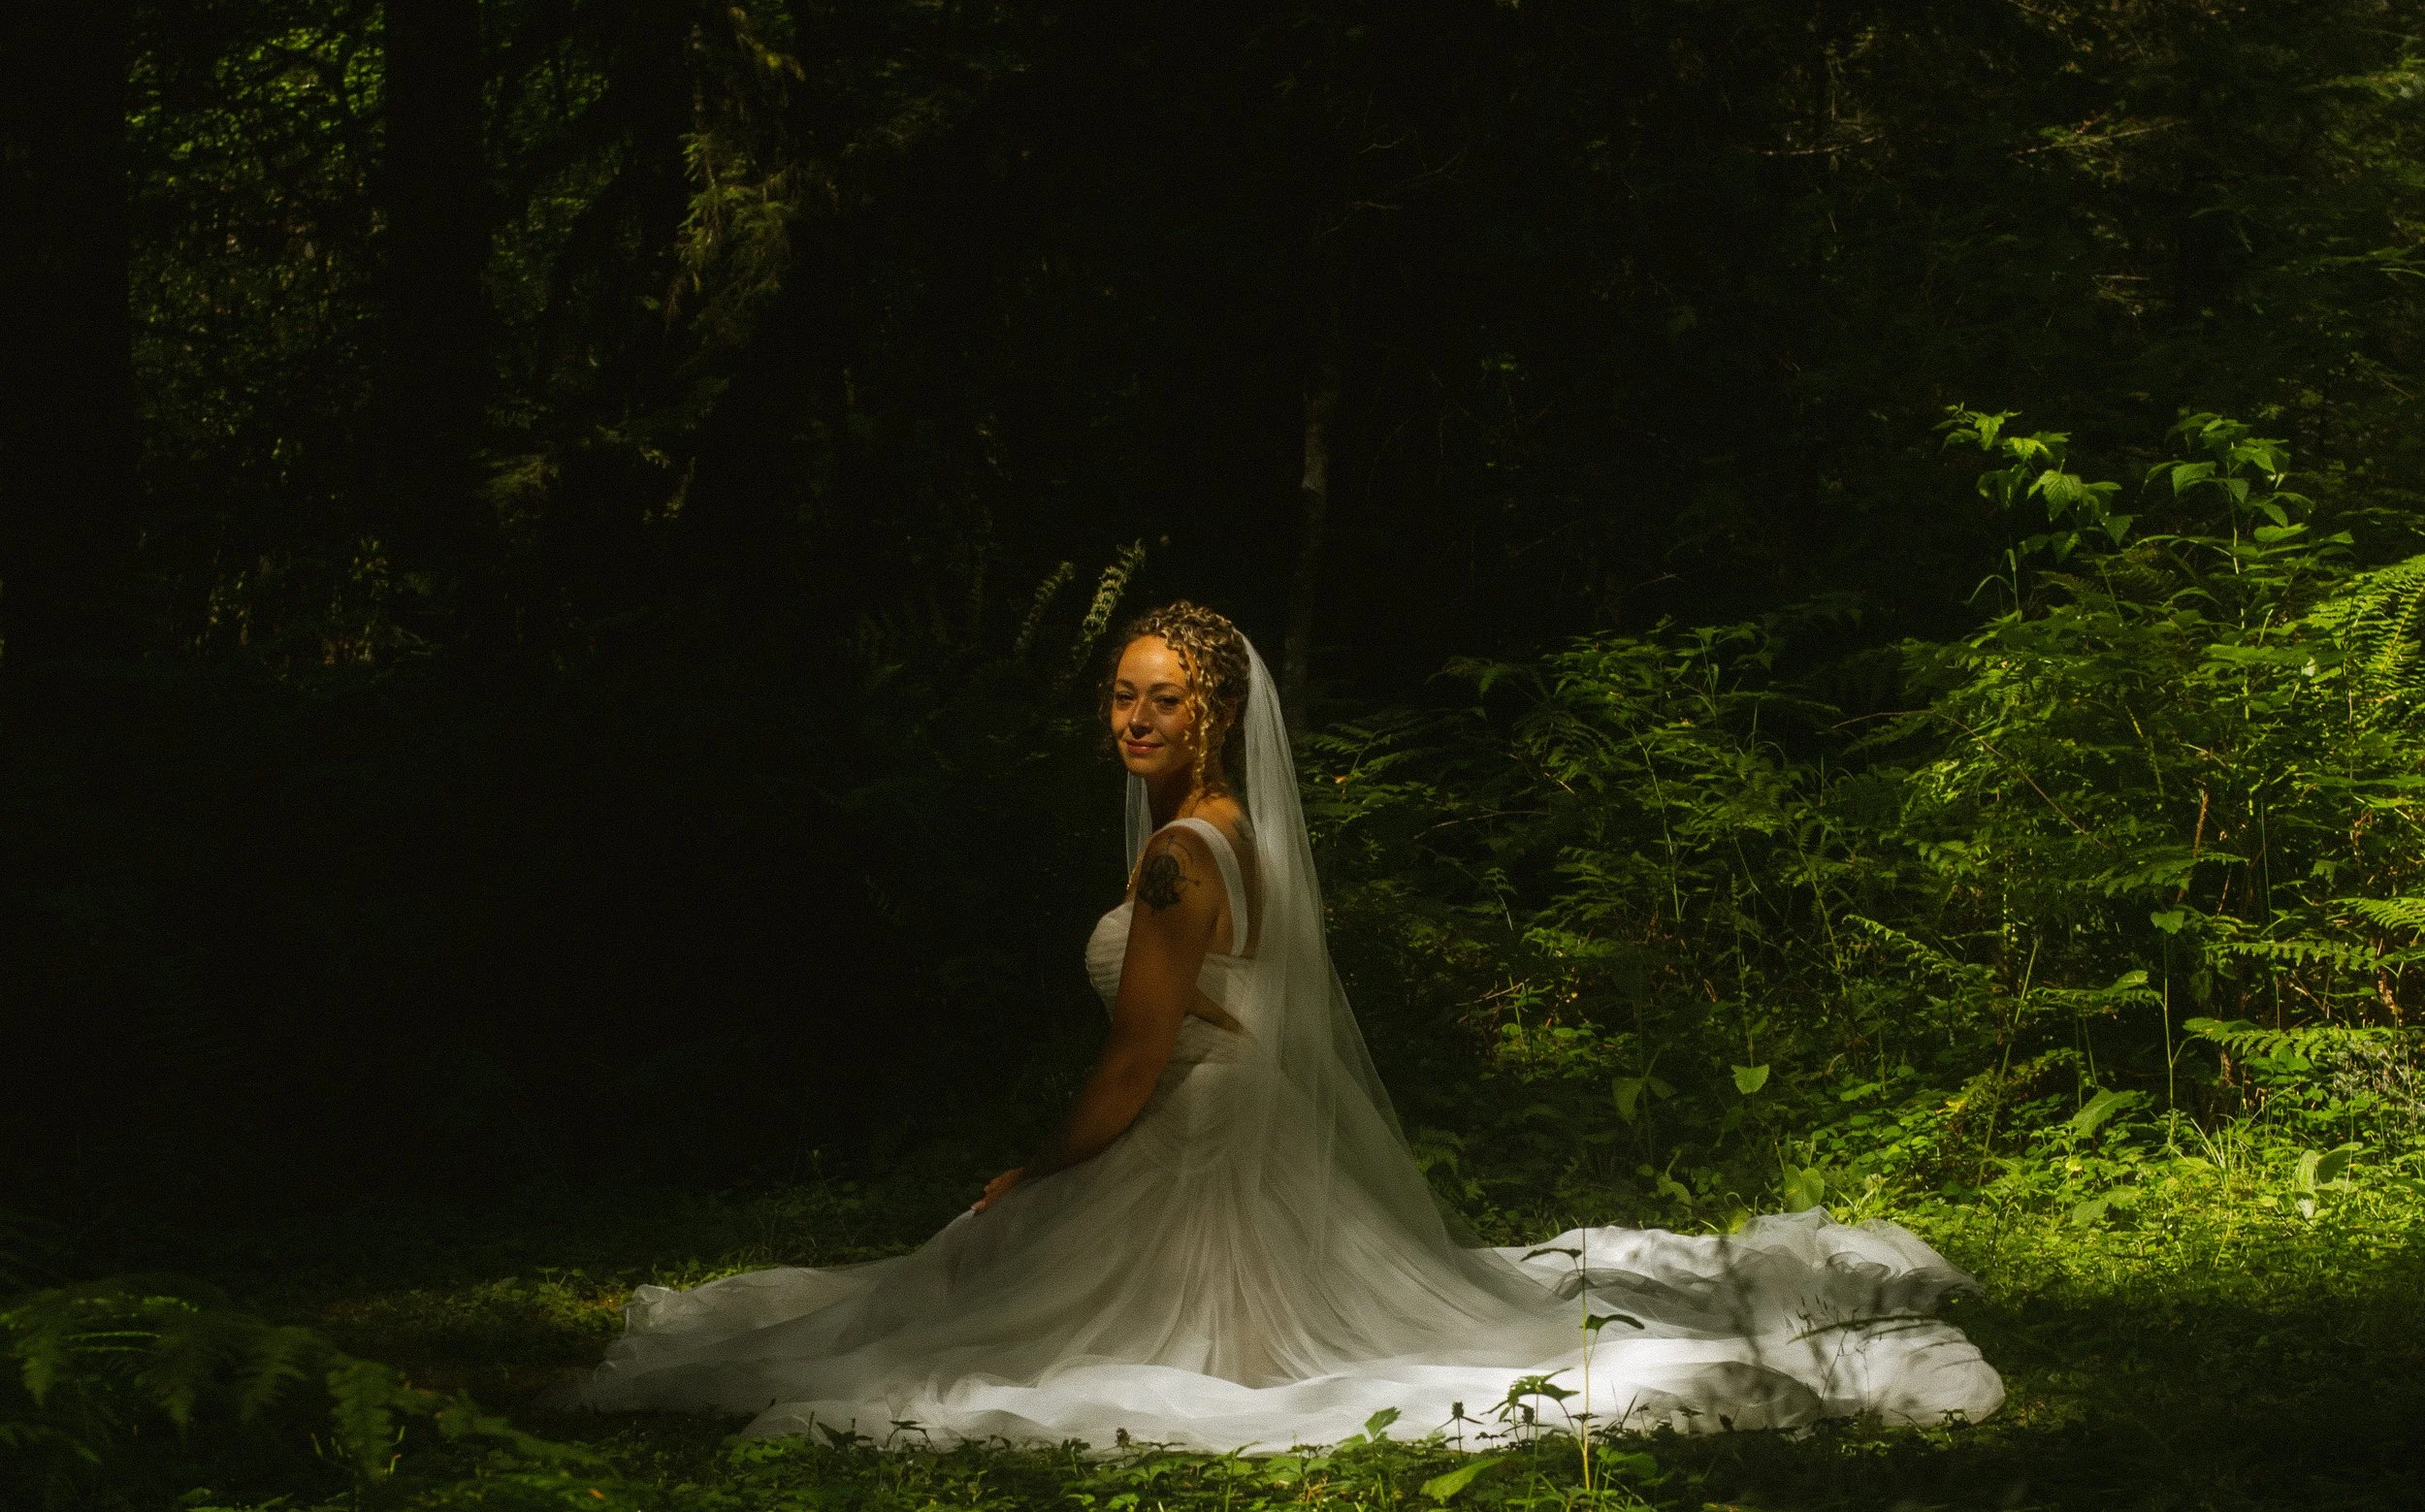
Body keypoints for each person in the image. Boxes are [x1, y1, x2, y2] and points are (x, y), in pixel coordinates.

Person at [556, 602, 2001, 1451]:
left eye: (1161, 699)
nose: (1131, 715)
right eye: (1119, 693)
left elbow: (1133, 1061)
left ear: (1213, 714)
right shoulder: (1231, 829)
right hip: (1229, 1124)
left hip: (1185, 1140)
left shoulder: (1182, 855)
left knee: (969, 1311)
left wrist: (1042, 1171)